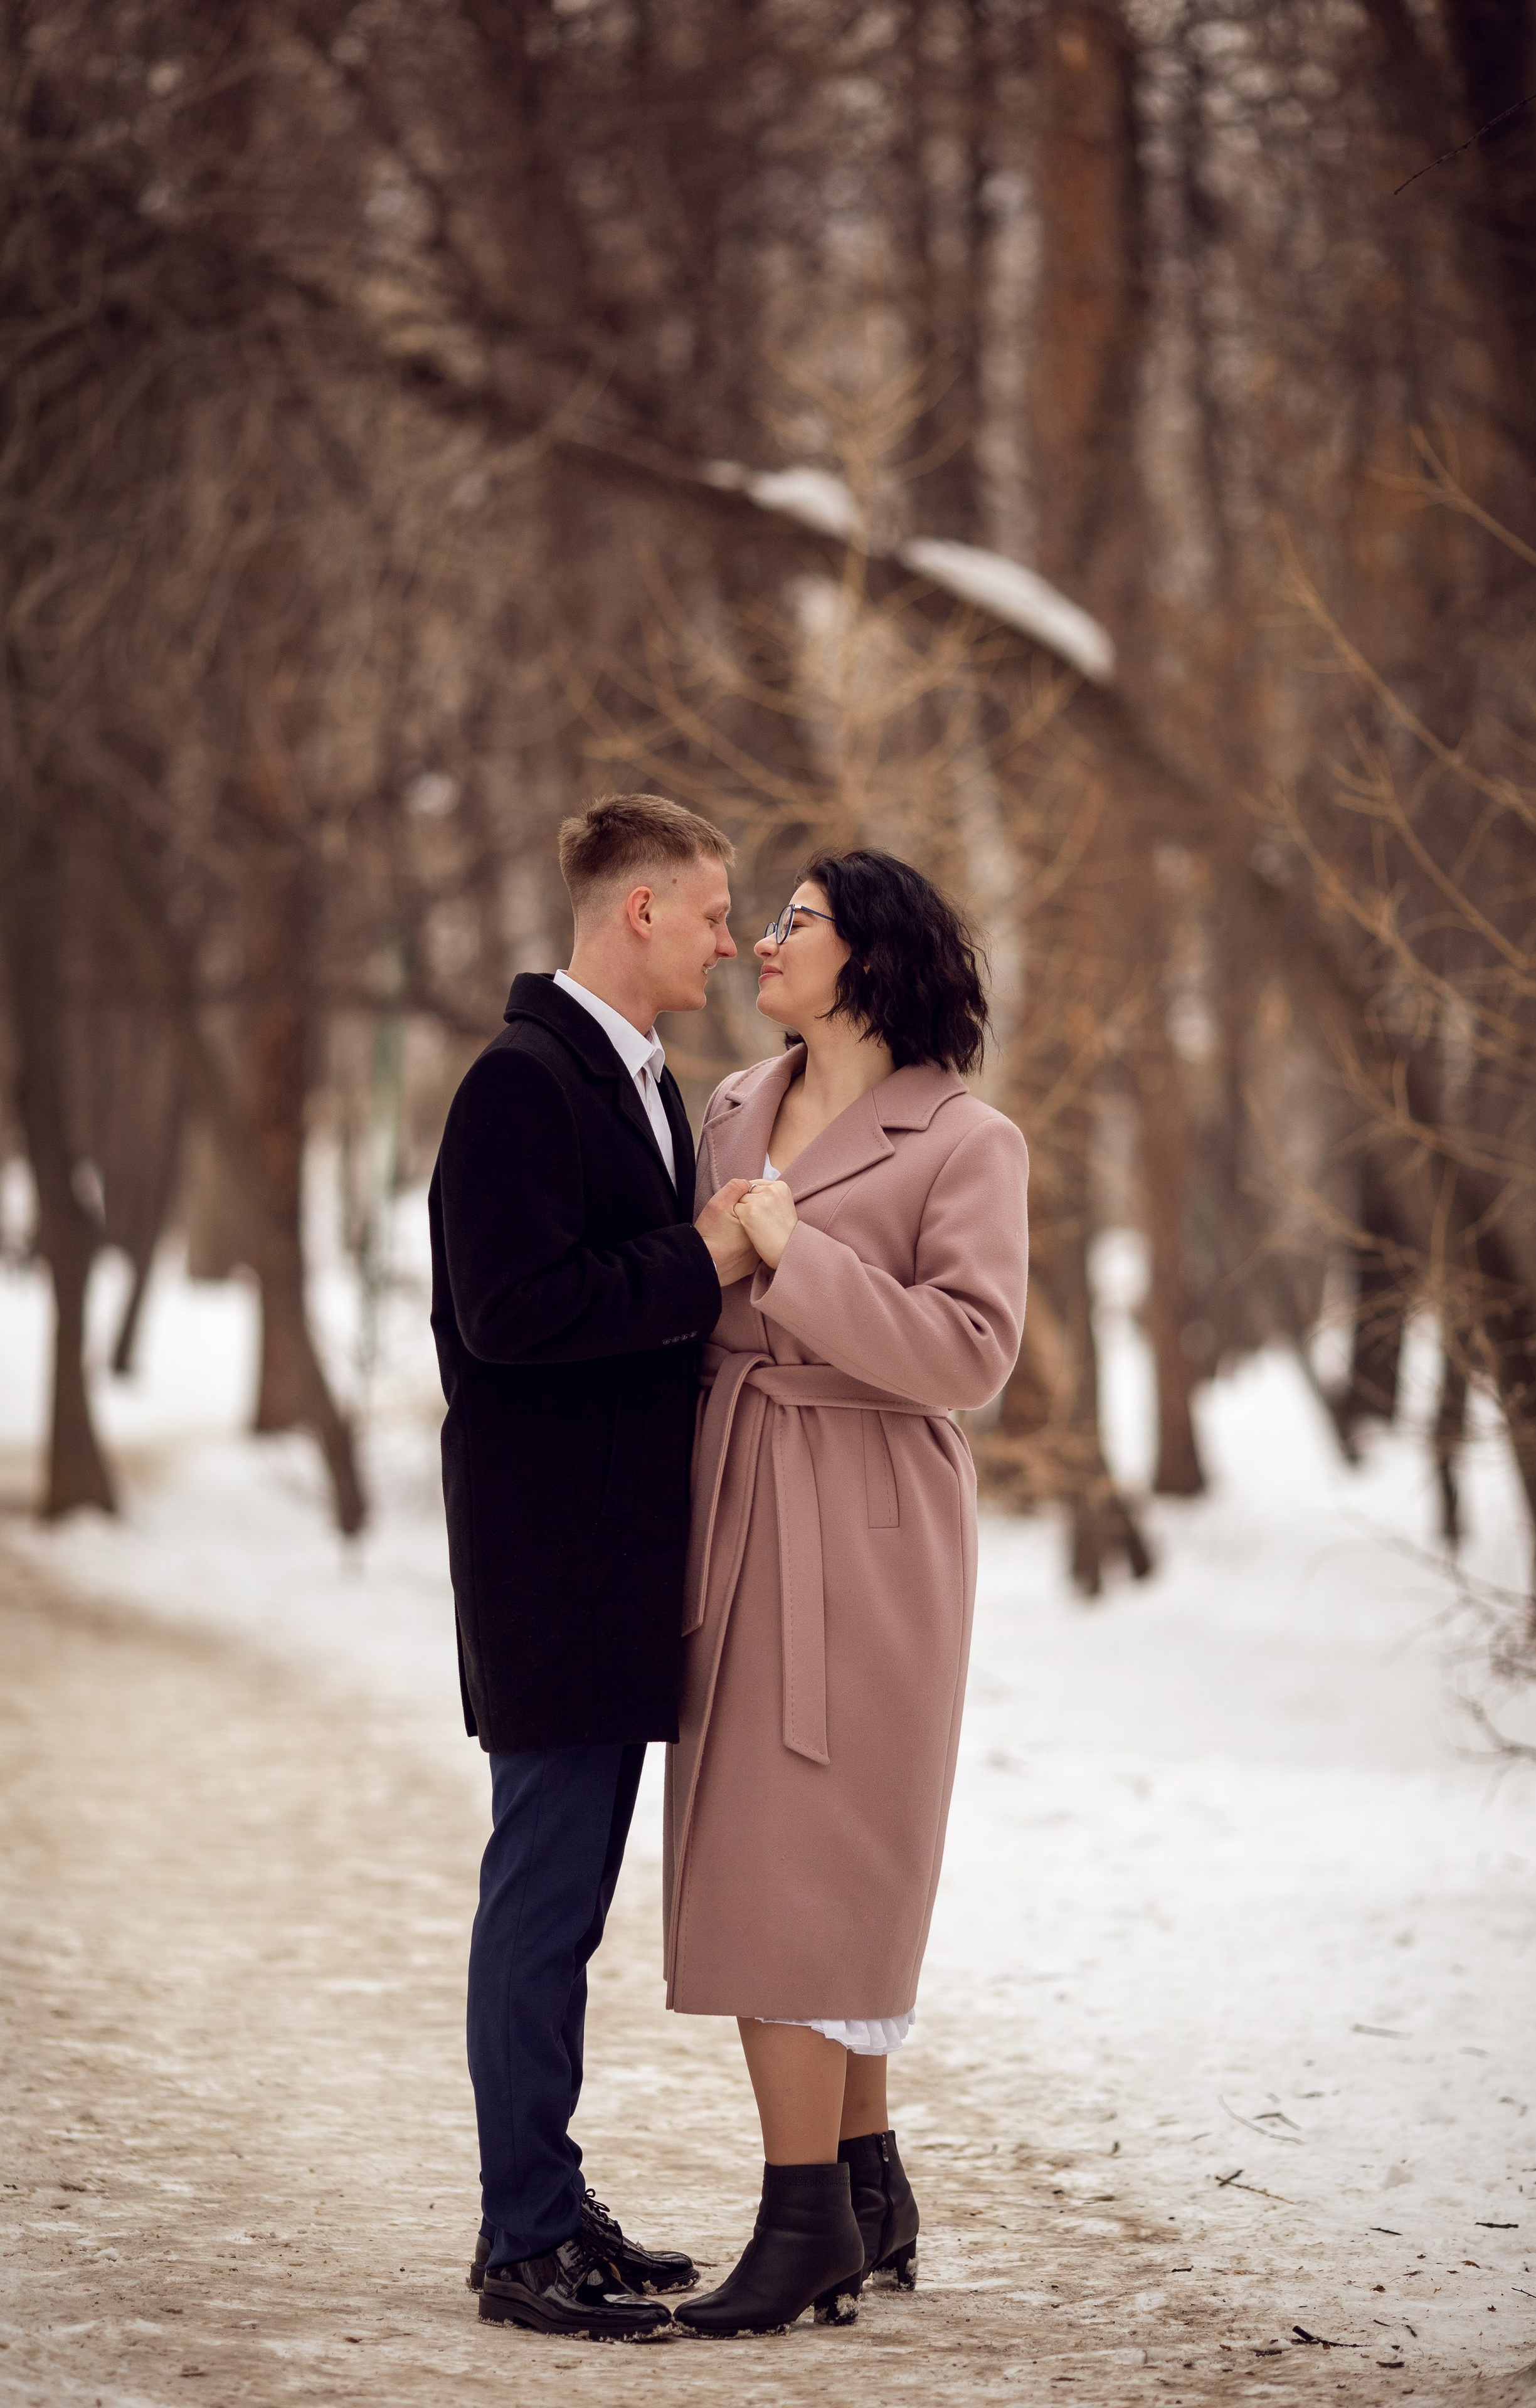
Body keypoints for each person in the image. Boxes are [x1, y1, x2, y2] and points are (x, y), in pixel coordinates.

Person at [665, 848, 1030, 2340]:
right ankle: (864, 2182)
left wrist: (793, 1258)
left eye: (795, 922)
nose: (763, 937)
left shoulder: (964, 1141)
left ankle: (801, 2218)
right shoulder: (734, 1106)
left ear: (868, 956)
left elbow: (968, 1355)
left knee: (810, 1856)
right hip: (737, 1493)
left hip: (871, 1522)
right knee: (783, 1844)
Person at [428, 793, 761, 2343]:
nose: (728, 937)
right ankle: (521, 2242)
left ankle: (548, 2202)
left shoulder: (640, 1082)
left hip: (612, 1565)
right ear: (639, 910)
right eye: (710, 909)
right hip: (549, 1567)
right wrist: (711, 1258)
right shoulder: (519, 1081)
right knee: (542, 1901)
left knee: (566, 1909)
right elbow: (509, 1312)